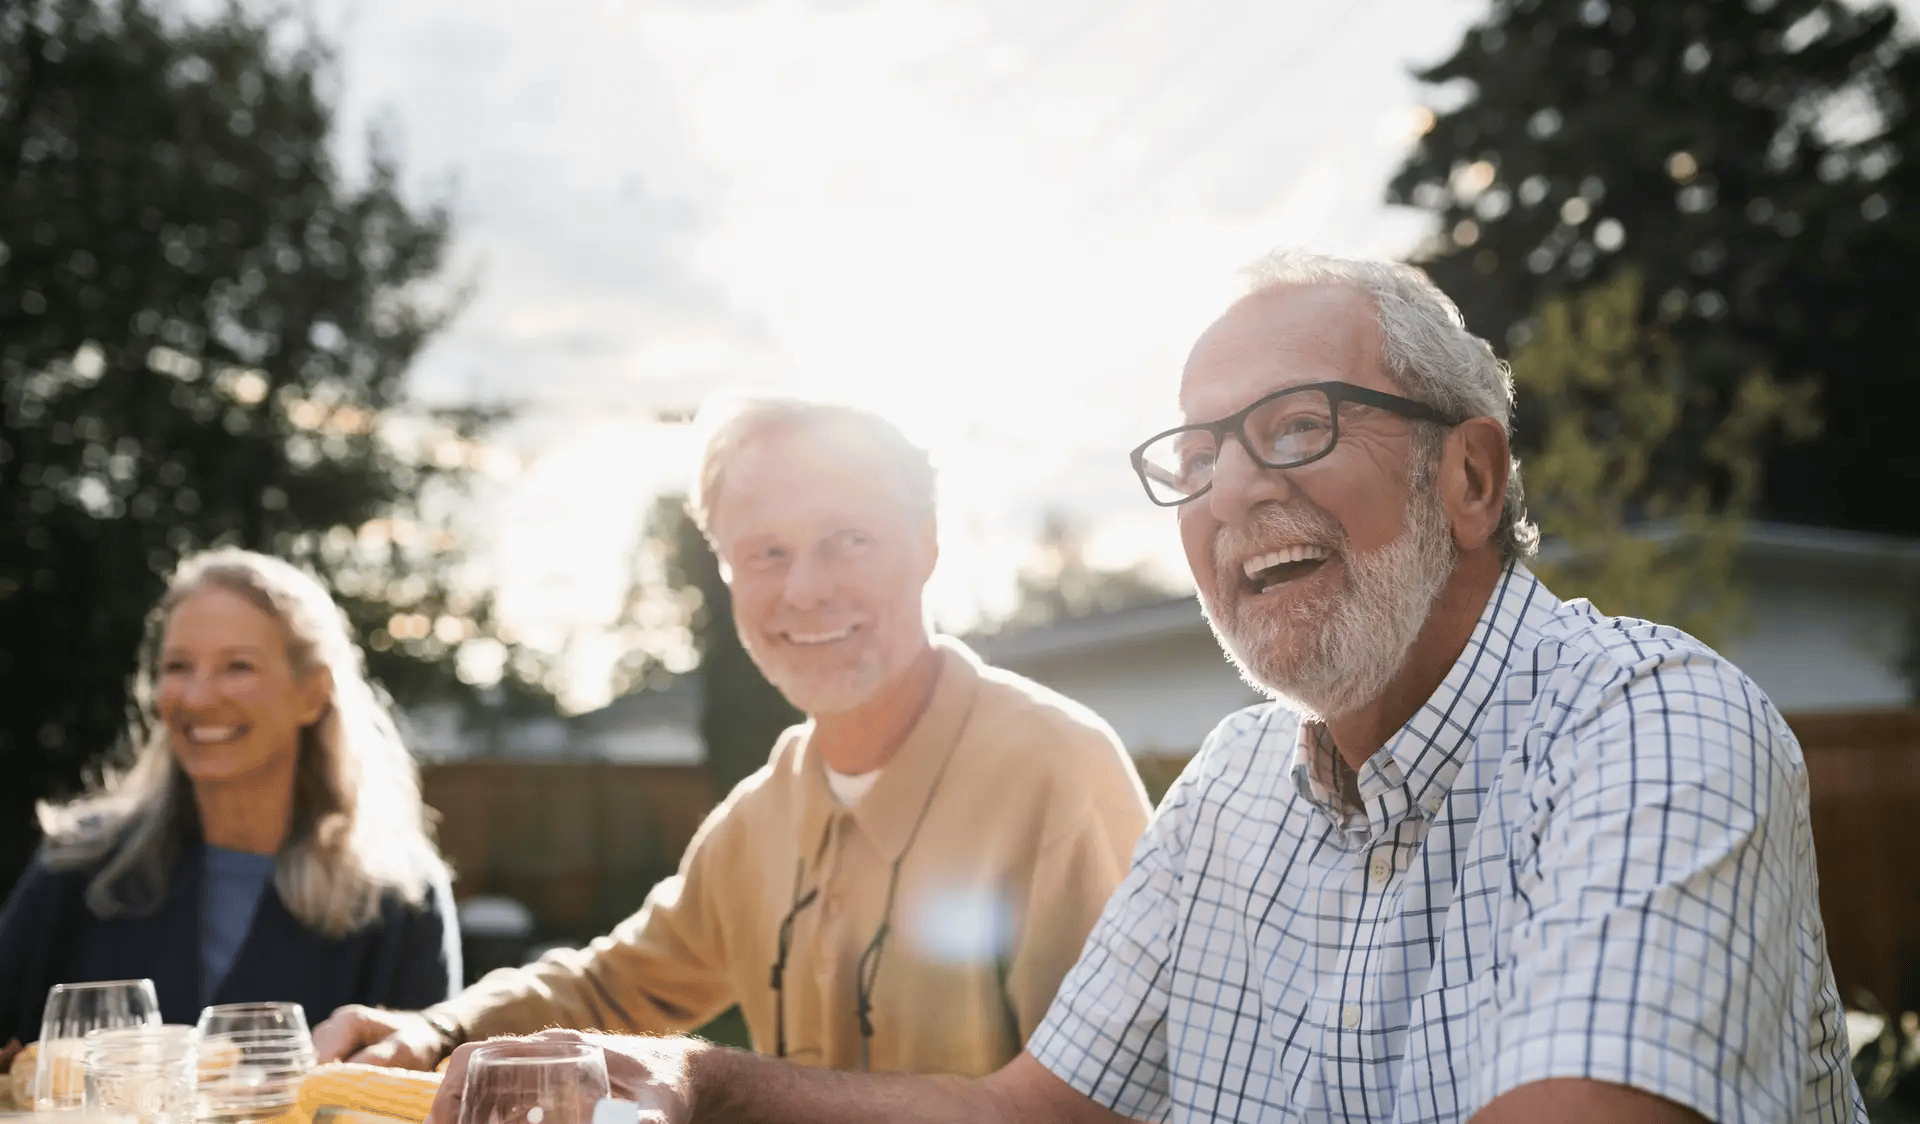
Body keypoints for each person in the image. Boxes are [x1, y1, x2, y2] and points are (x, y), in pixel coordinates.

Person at [430, 252, 1867, 1124]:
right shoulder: (1239, 783)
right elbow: (1038, 1110)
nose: (1236, 488)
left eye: (1296, 428)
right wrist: (692, 1086)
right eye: (1198, 455)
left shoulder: (1651, 727)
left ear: (1471, 475)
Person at [316, 398, 1152, 1079]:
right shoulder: (764, 813)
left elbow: (1109, 1101)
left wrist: (725, 1093)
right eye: (765, 553)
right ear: (724, 575)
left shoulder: (1057, 770)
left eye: (849, 540)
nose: (805, 589)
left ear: (928, 544)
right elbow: (613, 986)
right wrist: (438, 1030)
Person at [0, 548, 460, 1050]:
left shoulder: (399, 901)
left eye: (237, 667)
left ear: (311, 694)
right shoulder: (75, 868)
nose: (198, 698)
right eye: (178, 666)